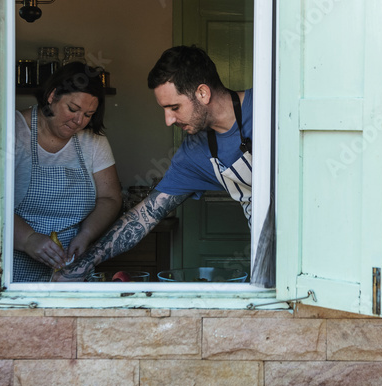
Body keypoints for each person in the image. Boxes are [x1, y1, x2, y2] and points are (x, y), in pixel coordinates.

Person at [51, 46, 256, 282]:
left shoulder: (272, 107)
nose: (168, 121)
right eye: (164, 110)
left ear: (202, 93)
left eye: (174, 108)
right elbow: (144, 216)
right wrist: (85, 263)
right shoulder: (194, 152)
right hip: (269, 250)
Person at [13, 61, 123, 282]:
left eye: (88, 114)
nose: (79, 121)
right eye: (73, 109)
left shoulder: (93, 140)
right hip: (16, 267)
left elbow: (110, 198)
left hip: (72, 269)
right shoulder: (13, 130)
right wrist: (28, 239)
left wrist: (86, 235)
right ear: (52, 96)